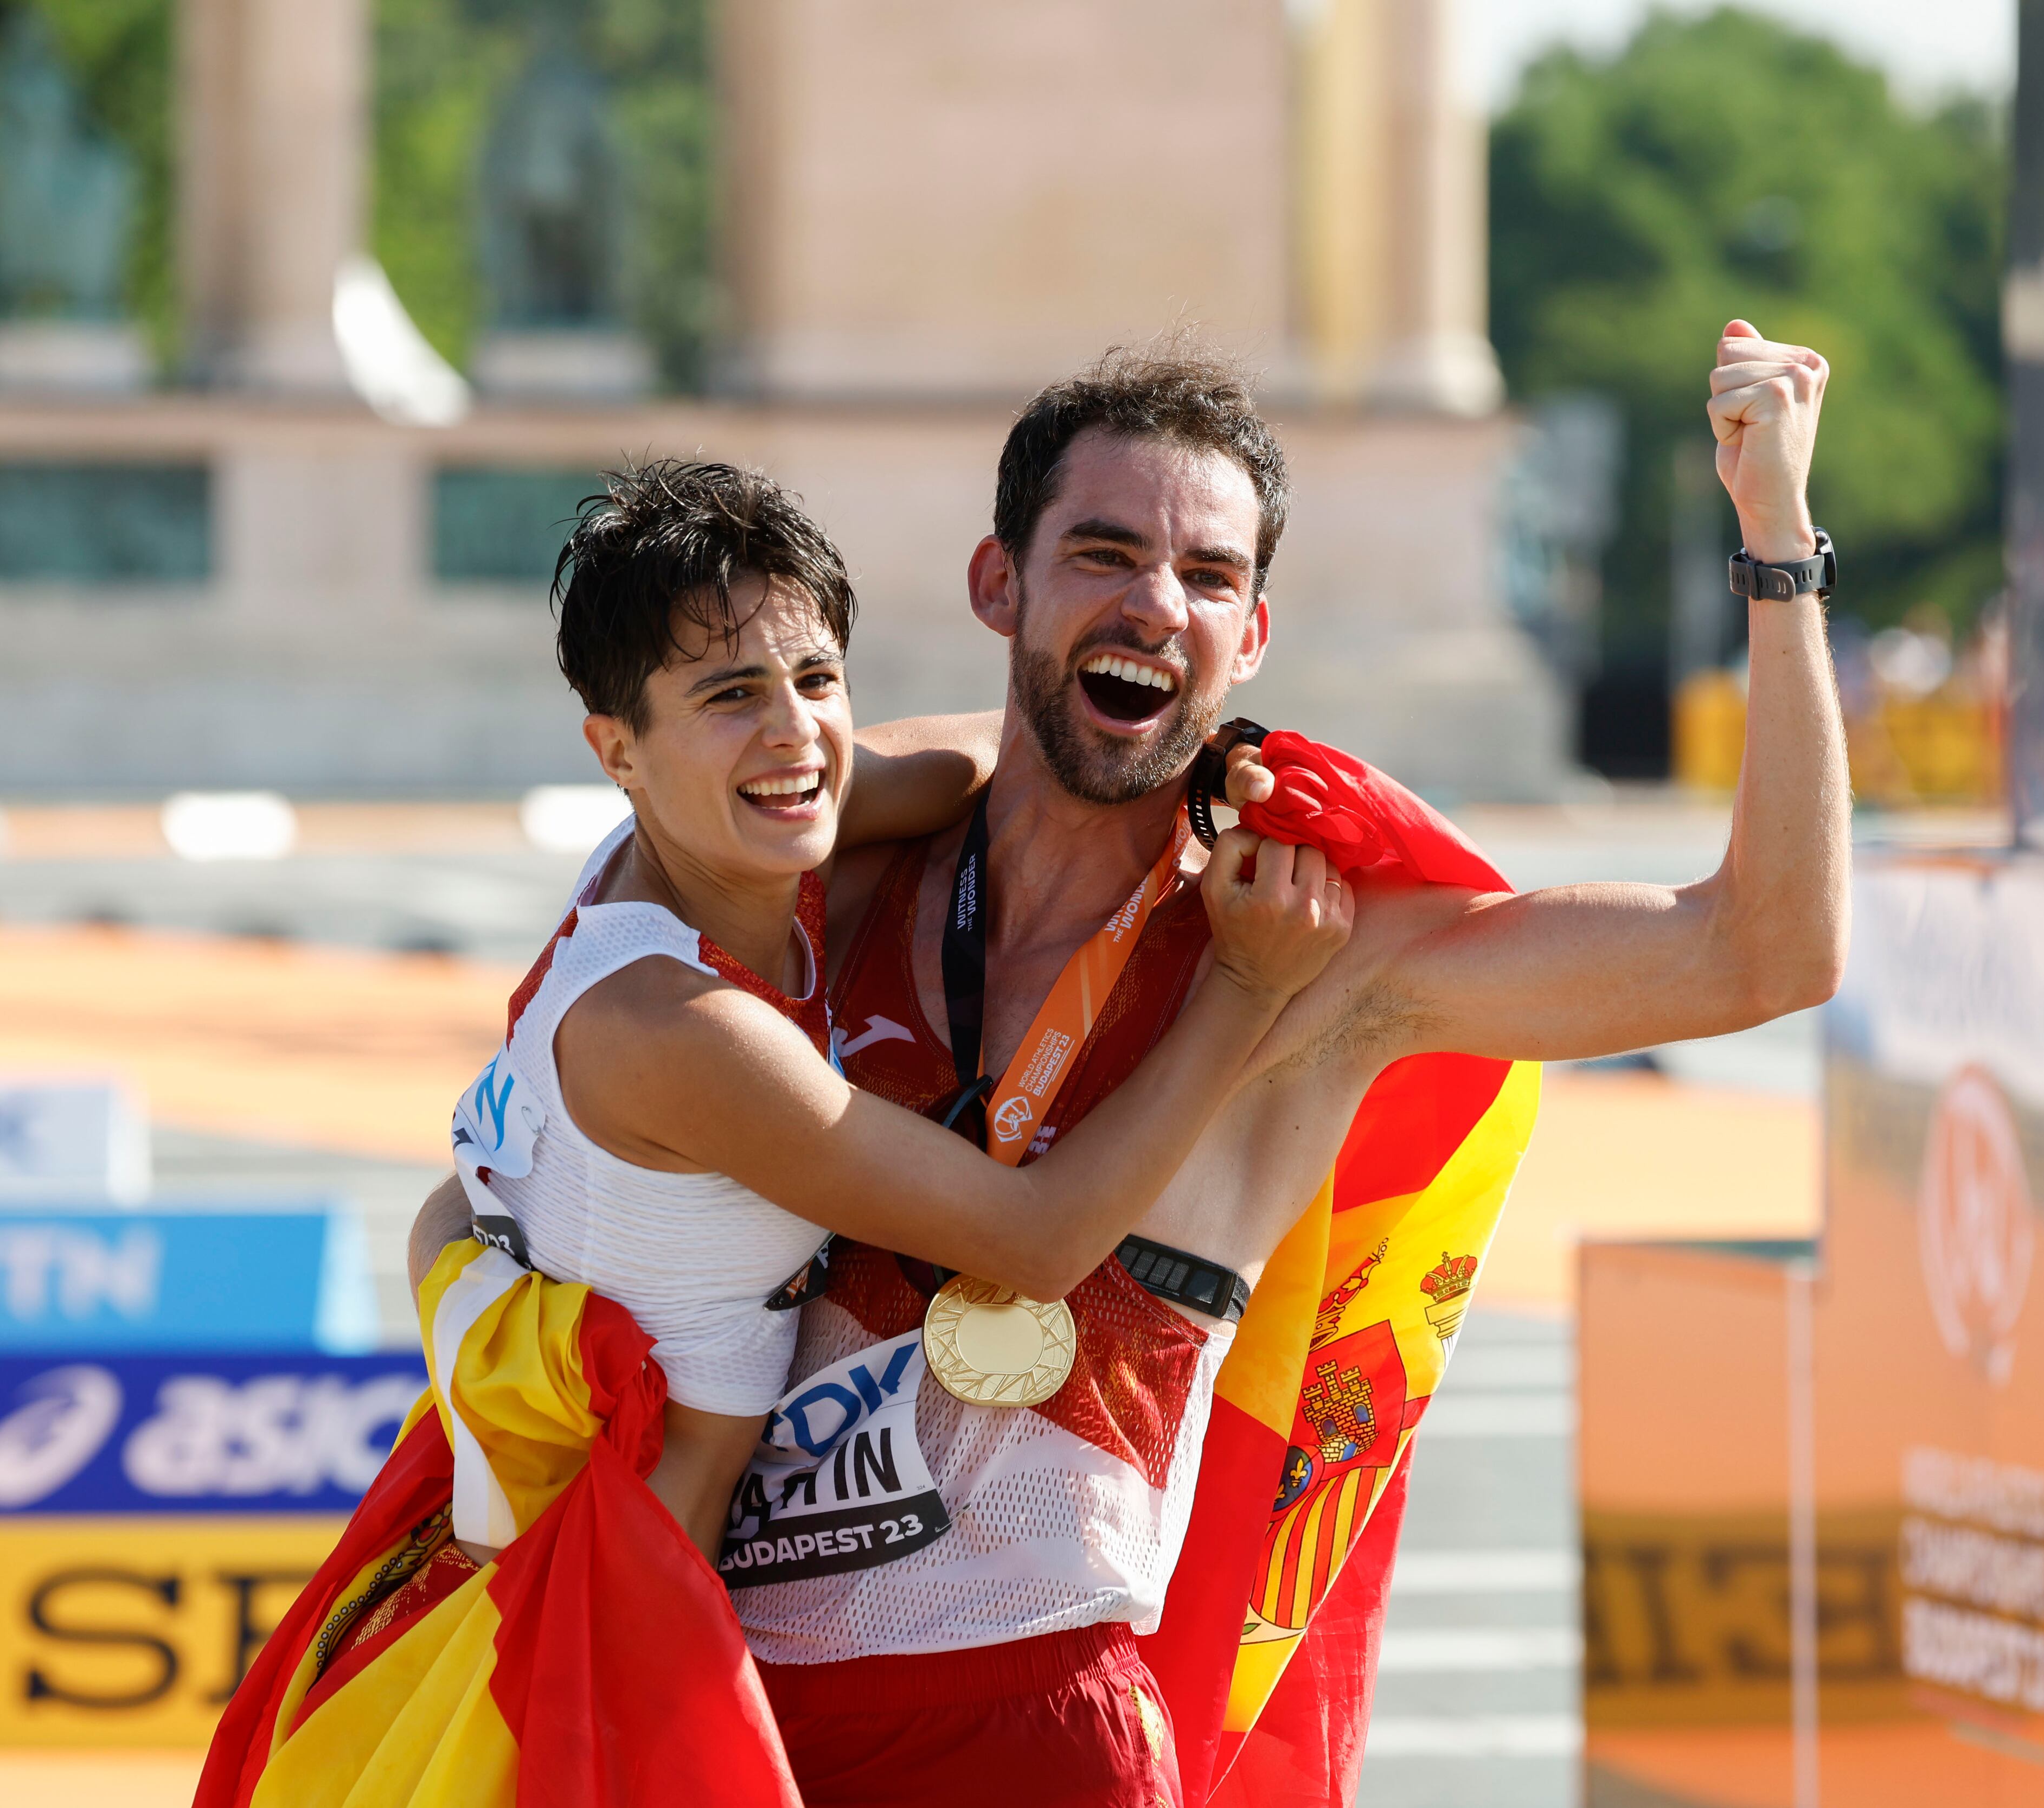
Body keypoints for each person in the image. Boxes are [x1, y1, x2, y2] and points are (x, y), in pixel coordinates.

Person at [410, 320, 1844, 1806]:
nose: (1156, 603)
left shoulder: (1316, 952)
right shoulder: (826, 872)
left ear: (1253, 635)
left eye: (1210, 576)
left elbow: (1767, 949)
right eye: (1101, 553)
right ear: (997, 585)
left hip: (1032, 1735)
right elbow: (537, 1099)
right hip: (711, 1705)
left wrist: (1779, 545)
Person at [199, 459, 1353, 1808]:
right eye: (728, 695)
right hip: (584, 1680)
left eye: (816, 677)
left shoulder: (708, 849)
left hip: (569, 1576)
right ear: (615, 748)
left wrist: (1162, 723)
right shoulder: (686, 1030)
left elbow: (978, 764)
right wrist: (1243, 990)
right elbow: (1037, 1238)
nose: (793, 735)